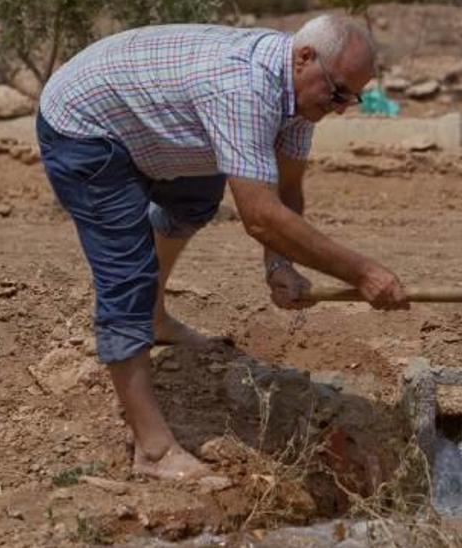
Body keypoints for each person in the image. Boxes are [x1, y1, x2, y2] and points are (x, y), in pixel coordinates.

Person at [36, 14, 408, 481]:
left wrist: (279, 264)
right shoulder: (243, 88)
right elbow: (259, 216)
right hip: (85, 127)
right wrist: (364, 273)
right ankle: (152, 450)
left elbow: (286, 188)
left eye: (351, 98)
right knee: (127, 275)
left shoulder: (298, 93)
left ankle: (153, 319)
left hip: (147, 121)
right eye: (337, 94)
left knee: (195, 197)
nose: (340, 108)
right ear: (305, 58)